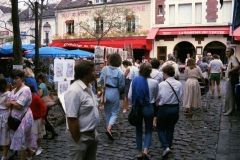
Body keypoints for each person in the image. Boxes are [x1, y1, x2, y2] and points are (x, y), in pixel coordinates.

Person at [64, 60, 100, 160]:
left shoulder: (88, 87)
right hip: (81, 137)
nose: (95, 73)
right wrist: (78, 141)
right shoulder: (74, 91)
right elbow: (71, 119)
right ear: (85, 74)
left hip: (92, 135)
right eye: (93, 71)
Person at [128, 63, 158, 160]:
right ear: (150, 71)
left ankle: (139, 153)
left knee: (138, 130)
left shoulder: (135, 81)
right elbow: (156, 96)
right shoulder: (154, 82)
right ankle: (146, 150)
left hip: (138, 107)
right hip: (149, 107)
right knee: (148, 130)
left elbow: (129, 96)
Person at [5, 69, 37, 160]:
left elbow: (19, 105)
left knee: (20, 141)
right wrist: (12, 103)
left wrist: (12, 102)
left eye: (16, 78)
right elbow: (7, 104)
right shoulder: (14, 90)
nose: (14, 81)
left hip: (23, 118)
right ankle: (31, 151)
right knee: (18, 139)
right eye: (13, 78)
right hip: (14, 118)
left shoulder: (26, 90)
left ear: (22, 78)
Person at [156, 65, 183, 157]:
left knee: (160, 128)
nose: (162, 74)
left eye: (163, 73)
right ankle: (168, 146)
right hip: (175, 107)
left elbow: (157, 97)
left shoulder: (161, 84)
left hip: (164, 108)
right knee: (170, 128)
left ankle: (165, 147)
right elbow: (180, 96)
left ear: (166, 73)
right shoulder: (179, 83)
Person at [98, 54, 125, 141]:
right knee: (115, 112)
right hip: (114, 91)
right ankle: (109, 128)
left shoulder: (104, 69)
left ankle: (108, 127)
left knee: (107, 112)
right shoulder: (120, 72)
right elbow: (121, 85)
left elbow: (101, 80)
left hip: (106, 91)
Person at [36, 73, 58, 140]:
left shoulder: (42, 85)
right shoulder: (47, 85)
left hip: (44, 104)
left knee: (44, 119)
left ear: (40, 79)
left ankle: (53, 132)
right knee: (44, 118)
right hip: (47, 104)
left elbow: (40, 94)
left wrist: (37, 93)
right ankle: (45, 133)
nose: (38, 81)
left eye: (38, 79)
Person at [28, 84, 47, 156]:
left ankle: (39, 147)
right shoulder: (27, 98)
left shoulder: (36, 98)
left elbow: (43, 107)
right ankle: (32, 149)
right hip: (30, 119)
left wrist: (43, 118)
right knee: (31, 135)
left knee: (38, 135)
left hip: (37, 119)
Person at [223, 47, 239, 116]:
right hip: (228, 79)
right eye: (226, 51)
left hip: (231, 79)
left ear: (231, 52)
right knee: (228, 95)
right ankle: (228, 109)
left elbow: (237, 66)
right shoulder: (230, 58)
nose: (227, 52)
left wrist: (229, 71)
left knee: (230, 95)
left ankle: (230, 110)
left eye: (228, 51)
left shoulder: (233, 58)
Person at [0, 76, 10, 160]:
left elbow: (10, 107)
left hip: (4, 116)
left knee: (5, 137)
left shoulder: (8, 94)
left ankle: (4, 157)